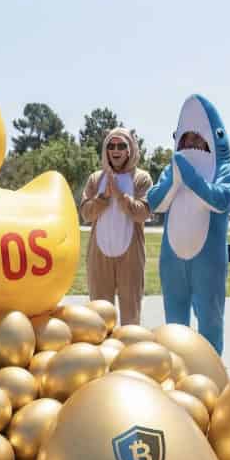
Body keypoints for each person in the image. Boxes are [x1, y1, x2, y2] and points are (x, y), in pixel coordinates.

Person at [147, 95, 230, 355]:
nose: (190, 144)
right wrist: (174, 179)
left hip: (208, 262)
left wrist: (188, 175)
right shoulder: (172, 168)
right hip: (172, 260)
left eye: (197, 138)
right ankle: (177, 367)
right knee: (174, 325)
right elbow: (155, 202)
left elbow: (220, 200)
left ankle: (211, 369)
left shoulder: (224, 168)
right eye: (185, 138)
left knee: (210, 321)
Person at [79, 127, 153, 325]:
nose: (116, 150)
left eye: (121, 145)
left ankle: (130, 346)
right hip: (99, 256)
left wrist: (120, 196)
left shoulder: (142, 178)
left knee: (131, 316)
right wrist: (103, 198)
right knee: (99, 318)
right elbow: (85, 213)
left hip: (131, 256)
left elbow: (143, 213)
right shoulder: (96, 179)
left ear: (130, 150)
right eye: (111, 146)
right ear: (106, 150)